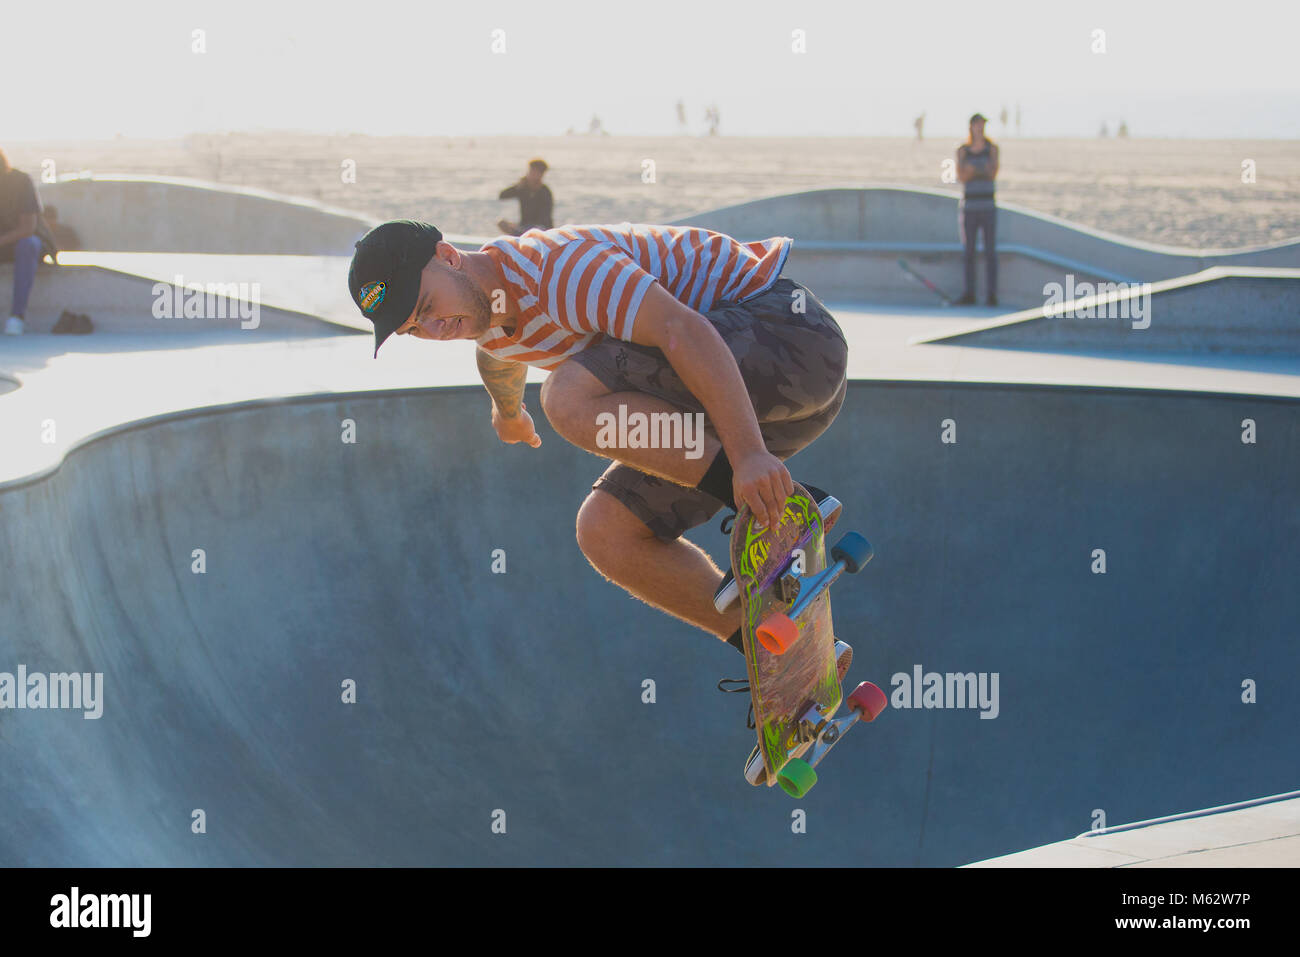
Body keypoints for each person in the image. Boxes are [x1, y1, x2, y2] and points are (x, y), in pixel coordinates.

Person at [348, 220, 852, 758]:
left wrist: (749, 456)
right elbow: (497, 355)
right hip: (756, 406)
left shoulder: (563, 270)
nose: (437, 328)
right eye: (414, 329)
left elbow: (684, 331)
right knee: (606, 533)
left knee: (567, 395)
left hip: (789, 341)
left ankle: (774, 499)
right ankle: (776, 649)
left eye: (427, 307)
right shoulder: (482, 312)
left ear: (448, 257)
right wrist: (508, 413)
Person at [954, 113, 999, 306]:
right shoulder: (963, 150)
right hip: (970, 206)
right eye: (978, 125)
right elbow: (962, 175)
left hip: (988, 205)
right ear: (971, 126)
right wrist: (978, 170)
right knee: (969, 252)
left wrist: (974, 170)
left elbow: (992, 172)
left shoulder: (992, 148)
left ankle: (991, 295)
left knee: (990, 252)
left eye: (983, 125)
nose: (981, 128)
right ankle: (969, 293)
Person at [0, 148, 44, 335]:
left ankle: (17, 317)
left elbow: (28, 228)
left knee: (29, 244)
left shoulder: (20, 181)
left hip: (18, 241)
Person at [496, 159, 553, 235]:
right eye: (530, 171)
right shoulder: (523, 188)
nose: (530, 174)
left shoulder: (545, 191)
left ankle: (522, 236)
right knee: (501, 223)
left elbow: (545, 217)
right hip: (524, 226)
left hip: (541, 228)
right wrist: (517, 186)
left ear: (541, 174)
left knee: (536, 229)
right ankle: (520, 235)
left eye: (533, 171)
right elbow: (502, 196)